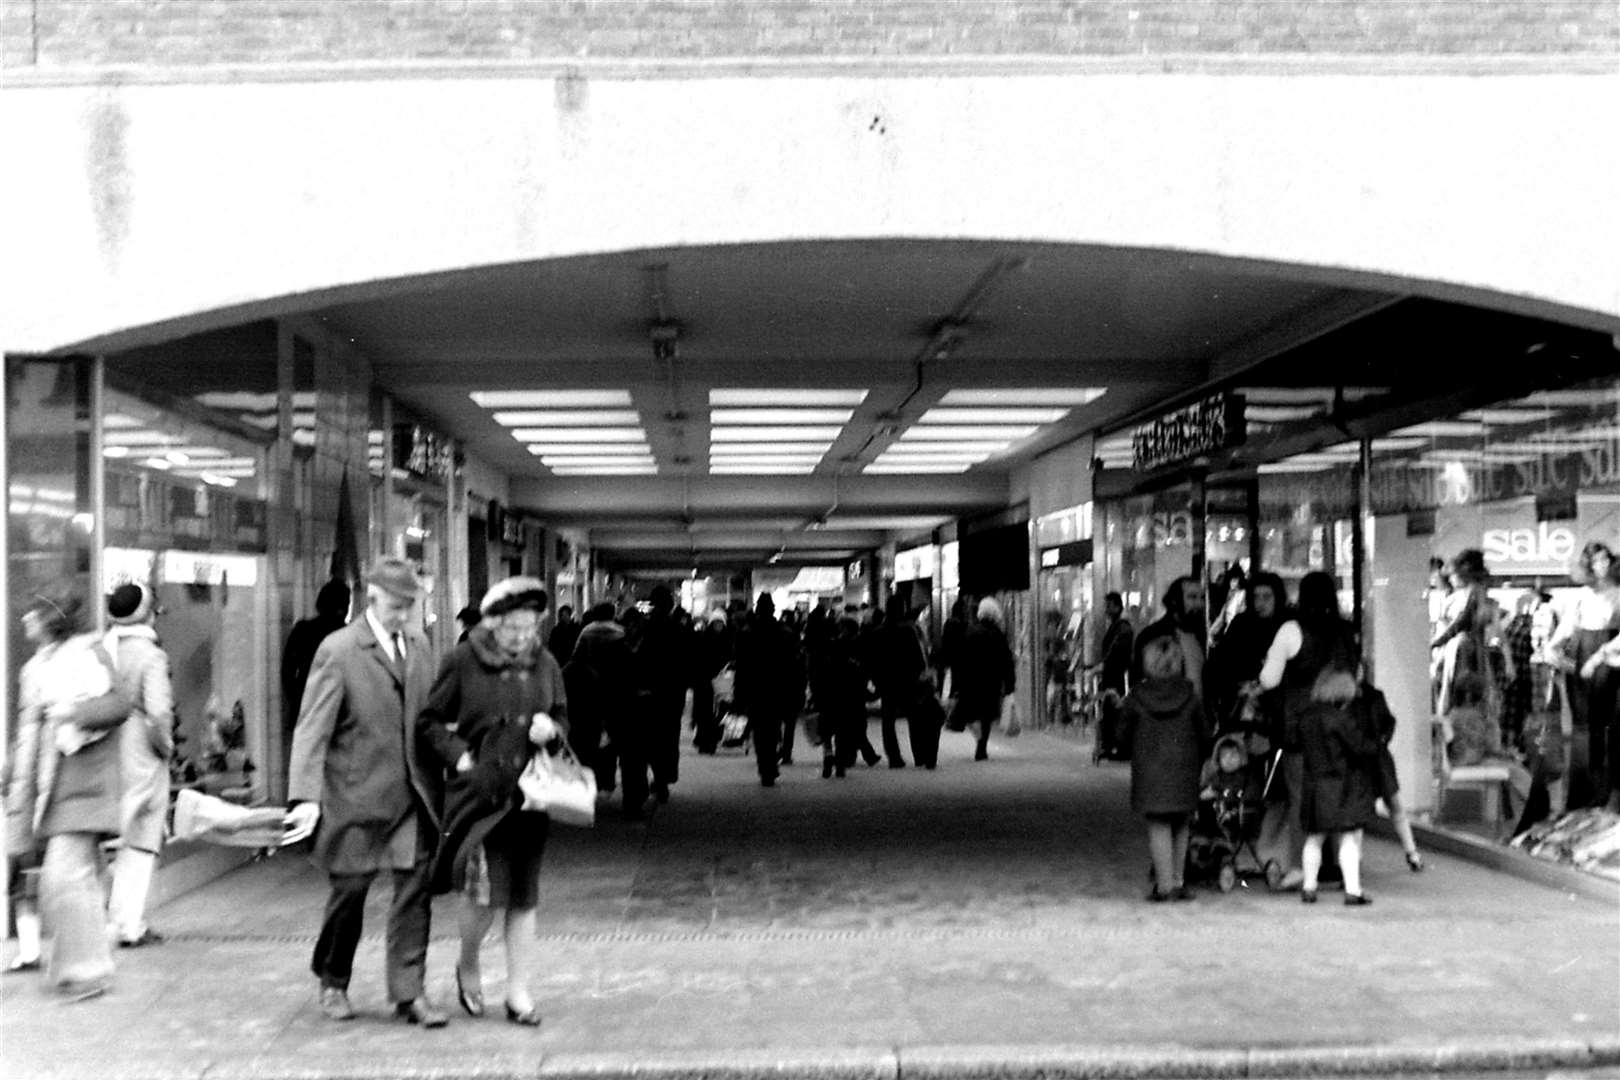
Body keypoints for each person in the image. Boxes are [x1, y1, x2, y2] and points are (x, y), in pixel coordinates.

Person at [284, 558, 448, 1027]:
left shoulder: (419, 645)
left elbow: (427, 717)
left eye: (408, 607)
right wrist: (306, 798)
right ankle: (333, 979)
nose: (403, 615)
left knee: (414, 891)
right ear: (372, 597)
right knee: (351, 892)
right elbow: (312, 729)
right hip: (355, 796)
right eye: (396, 606)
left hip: (413, 794)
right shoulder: (338, 650)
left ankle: (409, 992)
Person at [416, 577, 566, 1028]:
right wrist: (460, 758)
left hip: (530, 798)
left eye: (529, 627)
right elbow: (430, 721)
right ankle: (468, 961)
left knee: (523, 896)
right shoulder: (463, 660)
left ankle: (518, 993)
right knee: (482, 895)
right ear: (493, 622)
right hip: (482, 798)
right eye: (512, 628)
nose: (522, 637)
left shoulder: (546, 662)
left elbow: (562, 717)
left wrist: (554, 733)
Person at [4, 587, 131, 1000]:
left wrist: (73, 712)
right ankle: (83, 964)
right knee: (78, 879)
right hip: (46, 785)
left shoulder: (87, 655)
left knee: (63, 878)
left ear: (51, 620)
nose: (25, 620)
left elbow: (119, 704)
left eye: (33, 614)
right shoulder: (34, 668)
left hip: (80, 783)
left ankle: (87, 970)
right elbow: (28, 730)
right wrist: (12, 772)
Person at [1258, 570, 1359, 891]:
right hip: (1340, 727)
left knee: (1302, 797)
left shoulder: (1291, 629)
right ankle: (1342, 867)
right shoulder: (1347, 631)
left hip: (1300, 729)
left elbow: (1268, 680)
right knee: (1338, 794)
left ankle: (1303, 868)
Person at [104, 583, 174, 948]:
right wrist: (166, 747)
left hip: (106, 749)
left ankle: (114, 918)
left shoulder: (103, 648)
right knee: (142, 838)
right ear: (146, 613)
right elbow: (159, 712)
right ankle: (128, 923)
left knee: (116, 835)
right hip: (140, 751)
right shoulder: (150, 655)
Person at [1122, 624, 1206, 901]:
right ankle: (1179, 881)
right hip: (1185, 769)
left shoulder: (1136, 697)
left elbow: (1120, 735)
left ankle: (1164, 885)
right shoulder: (1190, 695)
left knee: (1158, 824)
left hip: (1150, 772)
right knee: (1182, 823)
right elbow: (1205, 733)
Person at [1543, 541, 1620, 810]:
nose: (1602, 565)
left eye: (1605, 559)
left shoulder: (1617, 594)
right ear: (1587, 564)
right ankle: (1580, 796)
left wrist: (1601, 655)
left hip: (1607, 655)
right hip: (1581, 651)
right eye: (1596, 560)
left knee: (1602, 725)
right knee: (1581, 727)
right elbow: (1567, 628)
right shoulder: (1581, 595)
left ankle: (1602, 795)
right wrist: (1552, 648)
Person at [1295, 670, 1382, 906]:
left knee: (1314, 839)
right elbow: (1360, 747)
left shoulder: (1306, 717)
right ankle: (1353, 891)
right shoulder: (1340, 719)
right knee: (1348, 839)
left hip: (1314, 785)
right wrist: (1377, 745)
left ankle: (1309, 888)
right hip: (1342, 786)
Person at [565, 603, 639, 817]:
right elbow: (629, 663)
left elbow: (575, 660)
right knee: (623, 746)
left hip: (589, 693)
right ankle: (623, 792)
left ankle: (589, 786)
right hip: (617, 693)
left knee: (587, 742)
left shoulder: (586, 632)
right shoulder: (620, 633)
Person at [733, 594, 801, 787]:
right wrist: (796, 691)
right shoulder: (785, 633)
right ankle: (771, 763)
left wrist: (739, 694)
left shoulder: (746, 633)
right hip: (778, 688)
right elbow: (794, 666)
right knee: (773, 727)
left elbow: (741, 667)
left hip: (755, 689)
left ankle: (765, 765)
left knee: (759, 730)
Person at [1206, 572, 1286, 731]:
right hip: (1243, 703)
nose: (1260, 603)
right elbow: (1222, 662)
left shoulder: (1286, 625)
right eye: (1256, 597)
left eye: (1266, 597)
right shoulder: (1241, 624)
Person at [280, 579, 350, 753]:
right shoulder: (348, 634)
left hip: (307, 712)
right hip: (339, 716)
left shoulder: (303, 630)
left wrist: (299, 699)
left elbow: (287, 672)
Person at [633, 586, 688, 801]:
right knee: (668, 737)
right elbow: (683, 661)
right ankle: (663, 779)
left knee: (649, 738)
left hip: (649, 693)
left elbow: (638, 657)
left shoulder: (646, 627)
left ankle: (654, 777)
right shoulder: (677, 629)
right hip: (672, 693)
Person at [957, 597, 1016, 762]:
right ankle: (981, 747)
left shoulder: (970, 632)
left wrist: (959, 682)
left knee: (972, 713)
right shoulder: (998, 635)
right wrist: (1010, 684)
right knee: (986, 715)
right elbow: (1007, 661)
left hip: (972, 681)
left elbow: (961, 660)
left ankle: (979, 740)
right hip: (992, 682)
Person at [872, 596, 928, 769]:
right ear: (901, 609)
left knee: (888, 720)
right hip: (907, 680)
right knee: (914, 718)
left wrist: (876, 680)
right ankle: (919, 755)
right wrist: (919, 675)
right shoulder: (908, 630)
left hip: (887, 682)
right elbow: (918, 659)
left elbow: (873, 660)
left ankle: (894, 757)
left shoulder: (878, 632)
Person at [1134, 576, 1206, 695]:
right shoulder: (1153, 635)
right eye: (1192, 597)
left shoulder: (1197, 635)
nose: (1200, 604)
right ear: (1175, 600)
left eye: (1202, 597)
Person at [1097, 592, 1134, 698]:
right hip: (1113, 677)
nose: (1106, 610)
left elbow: (1116, 652)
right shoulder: (1117, 626)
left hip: (1117, 678)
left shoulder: (1122, 628)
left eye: (1109, 606)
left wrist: (1104, 665)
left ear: (1117, 607)